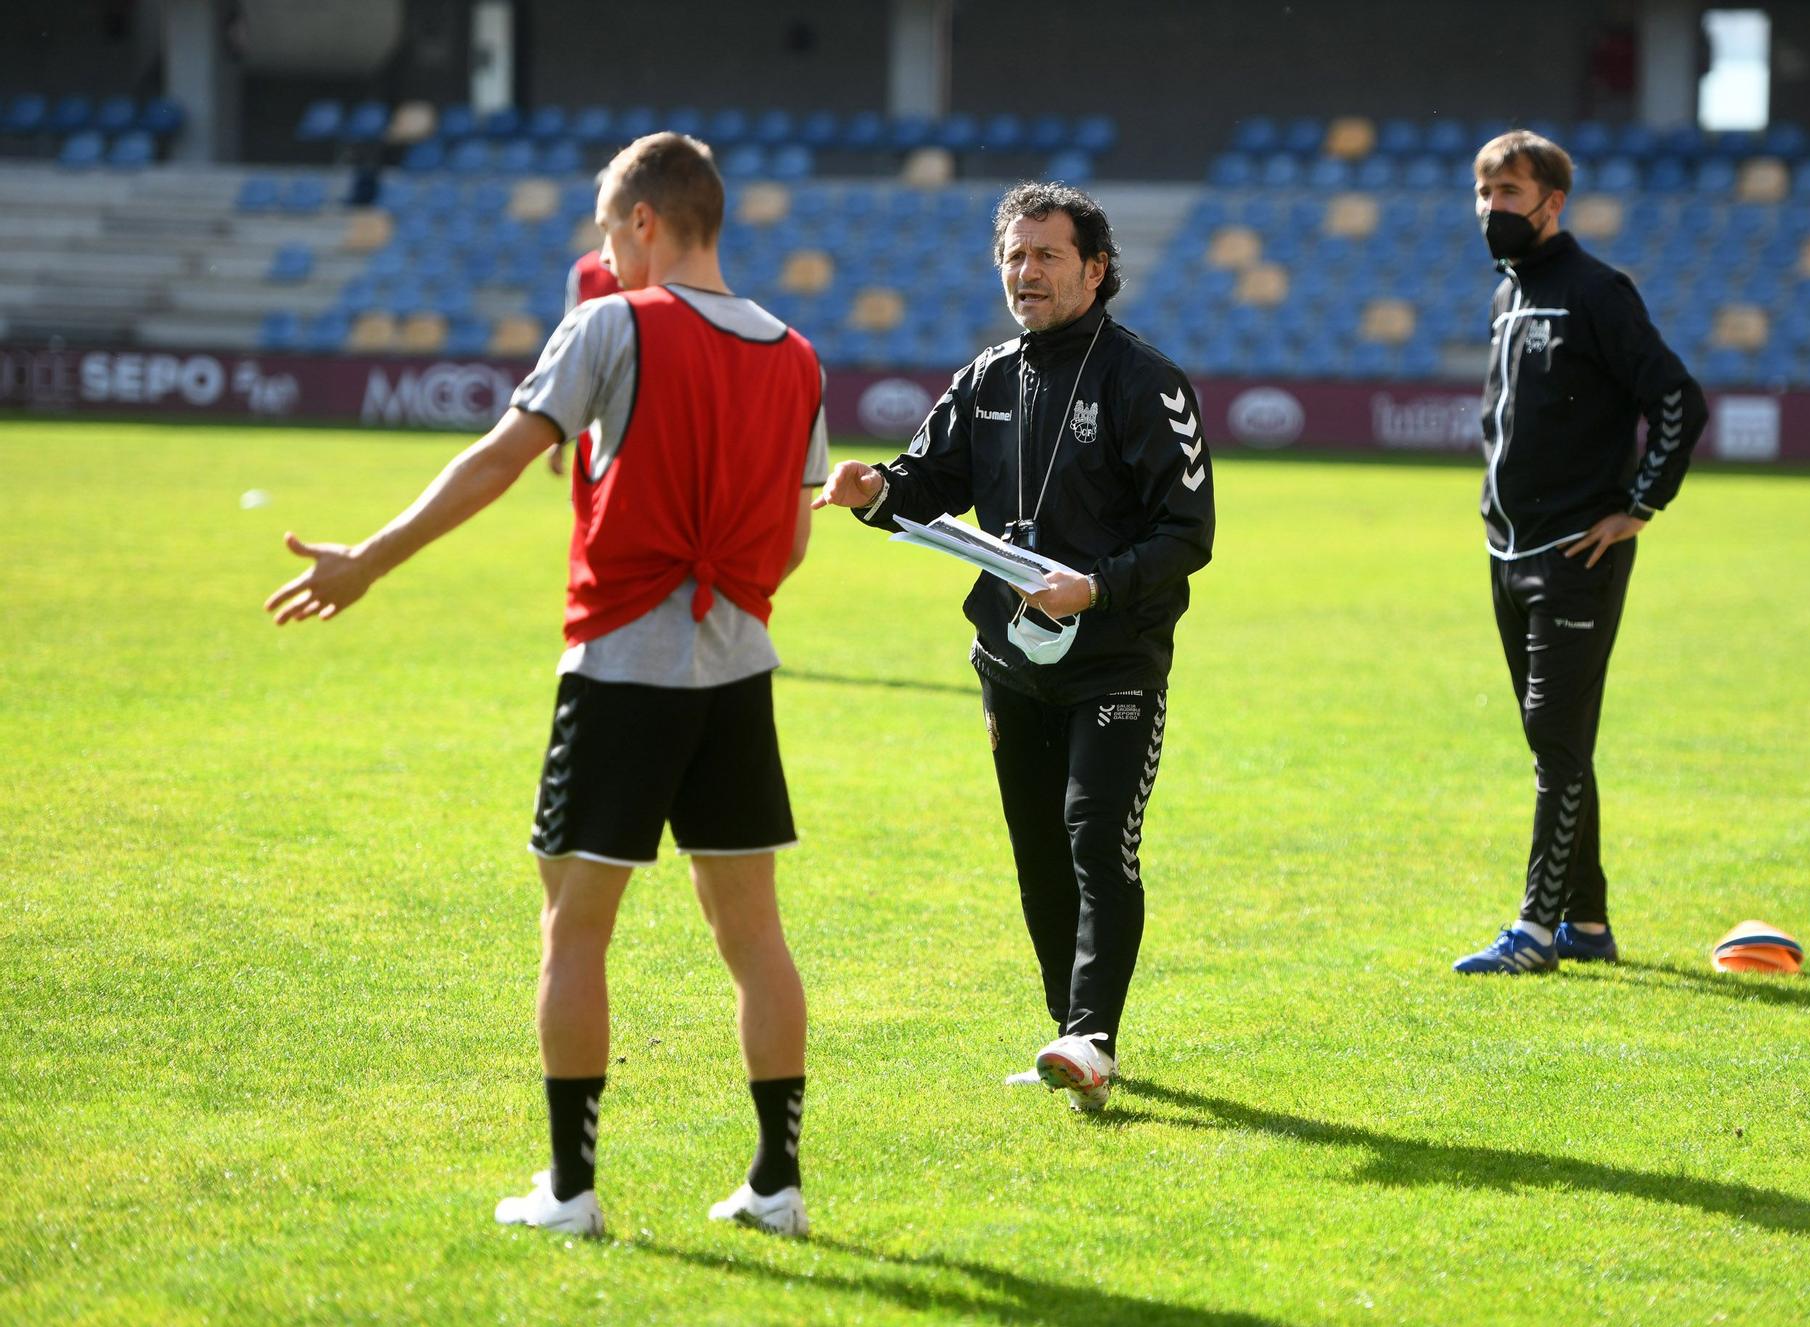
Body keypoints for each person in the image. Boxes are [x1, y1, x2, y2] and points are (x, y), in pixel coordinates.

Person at [263, 132, 828, 1235]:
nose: (603, 254)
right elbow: (794, 542)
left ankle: (570, 1191)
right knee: (753, 934)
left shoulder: (613, 322)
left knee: (574, 927)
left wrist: (367, 561)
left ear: (645, 223)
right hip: (738, 669)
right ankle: (778, 1183)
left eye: (608, 231)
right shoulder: (798, 353)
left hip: (623, 660)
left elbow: (498, 458)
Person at [815, 182, 1215, 1110]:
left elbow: (1187, 532)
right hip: (1009, 660)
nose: (1025, 272)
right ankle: (1067, 1035)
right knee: (1038, 851)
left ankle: (1094, 1035)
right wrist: (873, 487)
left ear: (1096, 269)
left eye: (1046, 256)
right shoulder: (989, 376)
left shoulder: (1146, 381)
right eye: (1014, 254)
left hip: (1114, 659)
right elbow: (926, 483)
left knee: (1095, 838)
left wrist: (1098, 584)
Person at [1452, 130, 1707, 974]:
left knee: (1556, 741)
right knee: (1551, 738)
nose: (1493, 210)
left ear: (1552, 203)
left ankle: (1532, 932)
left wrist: (1640, 506)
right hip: (1506, 550)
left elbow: (1676, 397)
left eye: (1510, 194)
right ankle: (1588, 926)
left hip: (1575, 552)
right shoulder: (1505, 295)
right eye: (1485, 194)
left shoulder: (1599, 291)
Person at [543, 248, 621, 475]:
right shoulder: (584, 271)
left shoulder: (661, 270)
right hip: (595, 417)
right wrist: (561, 436)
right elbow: (573, 349)